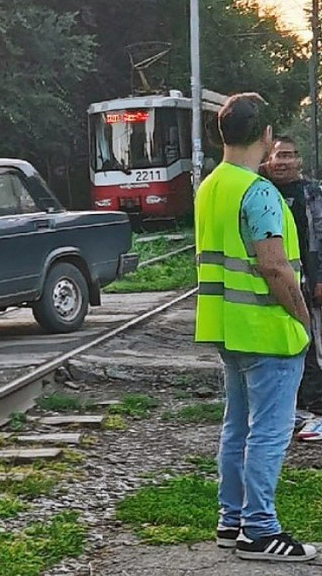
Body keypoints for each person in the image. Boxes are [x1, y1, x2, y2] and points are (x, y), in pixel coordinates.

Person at [195, 92, 317, 562]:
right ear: (266, 138)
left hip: (228, 329)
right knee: (269, 432)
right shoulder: (258, 191)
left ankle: (232, 521)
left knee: (237, 428)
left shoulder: (211, 186)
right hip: (268, 329)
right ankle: (261, 530)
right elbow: (274, 266)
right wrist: (303, 319)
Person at [262, 136, 322, 433]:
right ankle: (287, 403)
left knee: (310, 340)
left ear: (299, 160)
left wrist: (320, 277)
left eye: (289, 156)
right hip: (270, 281)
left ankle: (311, 404)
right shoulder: (260, 190)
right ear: (268, 160)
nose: (283, 162)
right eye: (278, 156)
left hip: (307, 280)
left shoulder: (312, 193)